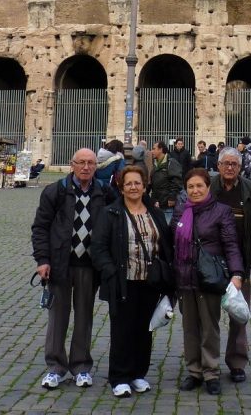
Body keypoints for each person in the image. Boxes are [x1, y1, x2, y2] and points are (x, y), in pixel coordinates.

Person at [90, 164, 174, 399]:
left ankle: (138, 373)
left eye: (137, 182)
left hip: (150, 281)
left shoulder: (154, 212)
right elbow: (98, 247)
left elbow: (165, 243)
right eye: (128, 183)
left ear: (145, 185)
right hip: (122, 280)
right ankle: (119, 377)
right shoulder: (110, 213)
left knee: (144, 329)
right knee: (122, 329)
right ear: (121, 186)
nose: (133, 187)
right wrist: (110, 271)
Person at [31, 148, 110, 390]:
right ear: (71, 164)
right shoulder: (55, 191)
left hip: (89, 265)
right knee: (57, 317)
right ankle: (55, 367)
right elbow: (40, 227)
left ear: (97, 166)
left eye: (91, 163)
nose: (86, 167)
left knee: (84, 316)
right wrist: (43, 259)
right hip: (60, 263)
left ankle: (81, 367)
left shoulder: (104, 192)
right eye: (81, 163)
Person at [172, 168, 244, 396]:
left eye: (199, 186)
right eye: (190, 187)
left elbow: (231, 243)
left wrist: (237, 273)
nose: (195, 190)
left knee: (210, 327)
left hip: (209, 277)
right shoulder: (181, 210)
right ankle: (194, 371)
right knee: (190, 327)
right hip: (185, 276)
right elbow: (171, 240)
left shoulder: (221, 211)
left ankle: (211, 371)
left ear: (208, 187)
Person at [209, 148, 251, 383]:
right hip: (209, 262)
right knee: (208, 317)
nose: (230, 168)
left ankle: (237, 362)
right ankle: (206, 361)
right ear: (218, 165)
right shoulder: (207, 187)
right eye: (225, 163)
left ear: (240, 168)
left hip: (241, 263)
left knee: (239, 315)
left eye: (234, 164)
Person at [149, 141, 183, 223]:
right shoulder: (156, 163)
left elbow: (176, 181)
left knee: (167, 230)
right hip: (158, 204)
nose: (151, 151)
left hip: (167, 205)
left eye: (154, 149)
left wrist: (171, 198)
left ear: (160, 149)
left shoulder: (171, 162)